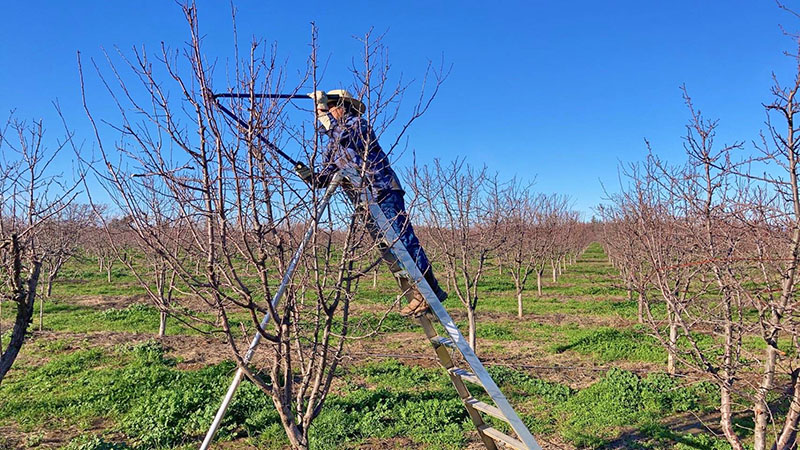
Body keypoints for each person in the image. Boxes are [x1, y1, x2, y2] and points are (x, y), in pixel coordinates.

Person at [295, 89, 447, 316]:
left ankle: (428, 290)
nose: (327, 110)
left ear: (343, 107)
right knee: (395, 248)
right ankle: (421, 291)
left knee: (403, 242)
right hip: (366, 200)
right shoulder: (333, 146)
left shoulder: (358, 125)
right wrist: (309, 175)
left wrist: (324, 116)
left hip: (382, 190)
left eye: (331, 105)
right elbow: (325, 178)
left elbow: (345, 136)